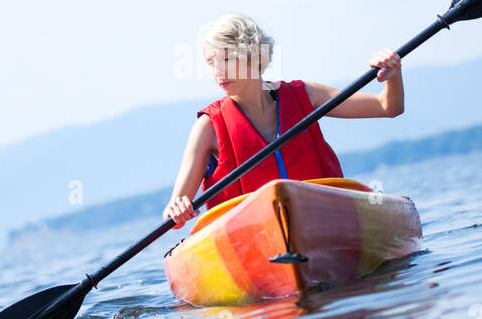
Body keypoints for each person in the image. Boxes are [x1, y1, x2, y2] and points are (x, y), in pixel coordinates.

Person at [163, 12, 404, 228]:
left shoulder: (305, 95)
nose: (217, 72)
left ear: (254, 56)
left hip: (324, 222)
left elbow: (388, 107)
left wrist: (392, 75)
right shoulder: (208, 128)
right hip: (249, 237)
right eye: (210, 63)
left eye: (226, 59)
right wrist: (177, 210)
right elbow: (172, 217)